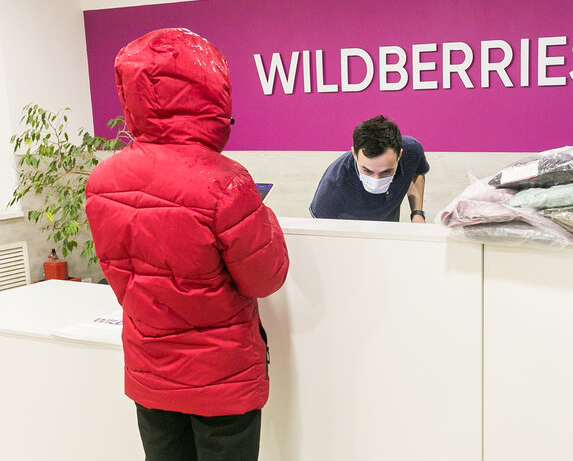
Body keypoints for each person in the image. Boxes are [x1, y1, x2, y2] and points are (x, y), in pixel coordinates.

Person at [85, 28, 289, 461]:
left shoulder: (101, 182)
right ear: (212, 96)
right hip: (222, 380)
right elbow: (265, 278)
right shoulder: (225, 182)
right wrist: (263, 216)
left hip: (150, 374)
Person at [309, 115, 429, 222]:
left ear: (400, 155)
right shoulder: (334, 184)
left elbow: (416, 174)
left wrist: (417, 213)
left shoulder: (412, 151)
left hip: (388, 231)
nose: (376, 180)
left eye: (386, 172)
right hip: (349, 235)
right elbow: (319, 230)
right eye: (367, 171)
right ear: (354, 154)